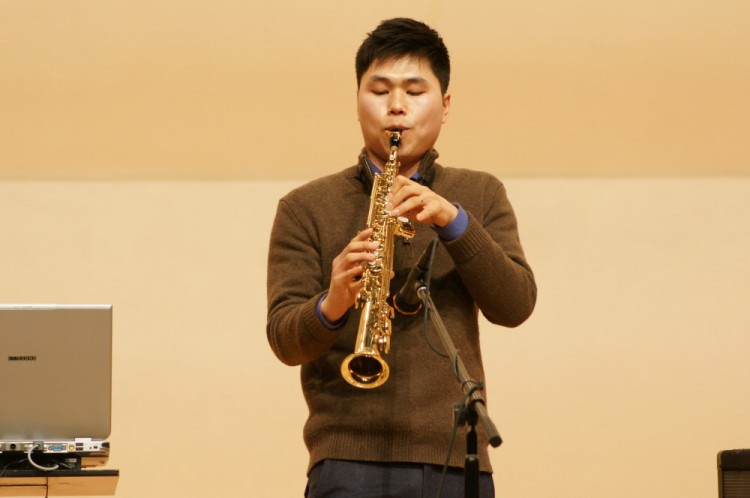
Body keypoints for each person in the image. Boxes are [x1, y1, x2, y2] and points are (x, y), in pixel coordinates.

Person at [266, 17, 536, 498]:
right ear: (357, 101)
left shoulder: (480, 192)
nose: (396, 106)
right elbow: (285, 341)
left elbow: (515, 305)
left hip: (455, 460)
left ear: (445, 105)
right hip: (345, 463)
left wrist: (455, 222)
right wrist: (333, 301)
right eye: (379, 90)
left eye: (414, 91)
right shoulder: (305, 206)